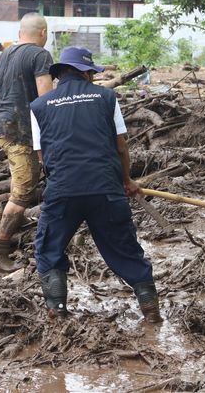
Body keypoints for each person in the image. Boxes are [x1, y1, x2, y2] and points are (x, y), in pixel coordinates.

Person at [29, 46, 161, 322]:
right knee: (124, 248)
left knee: (49, 248)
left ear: (60, 74)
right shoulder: (106, 97)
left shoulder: (39, 106)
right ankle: (149, 308)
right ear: (86, 73)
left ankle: (58, 312)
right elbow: (121, 147)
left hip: (63, 191)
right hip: (105, 189)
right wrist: (126, 181)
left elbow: (43, 156)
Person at [0, 13, 54, 273]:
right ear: (43, 33)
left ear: (20, 33)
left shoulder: (4, 54)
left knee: (24, 179)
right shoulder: (40, 55)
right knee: (24, 190)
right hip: (19, 130)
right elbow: (46, 98)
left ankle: (16, 232)